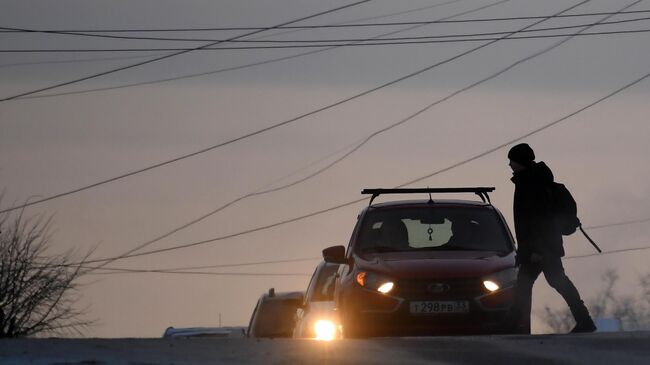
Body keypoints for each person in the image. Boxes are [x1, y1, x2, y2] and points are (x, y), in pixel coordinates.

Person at [504, 143, 596, 333]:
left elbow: (540, 221)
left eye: (512, 161)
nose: (510, 165)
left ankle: (511, 325)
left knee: (535, 283)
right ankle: (584, 320)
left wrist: (537, 250)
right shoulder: (530, 181)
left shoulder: (532, 185)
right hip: (542, 247)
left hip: (541, 248)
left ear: (521, 162)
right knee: (549, 282)